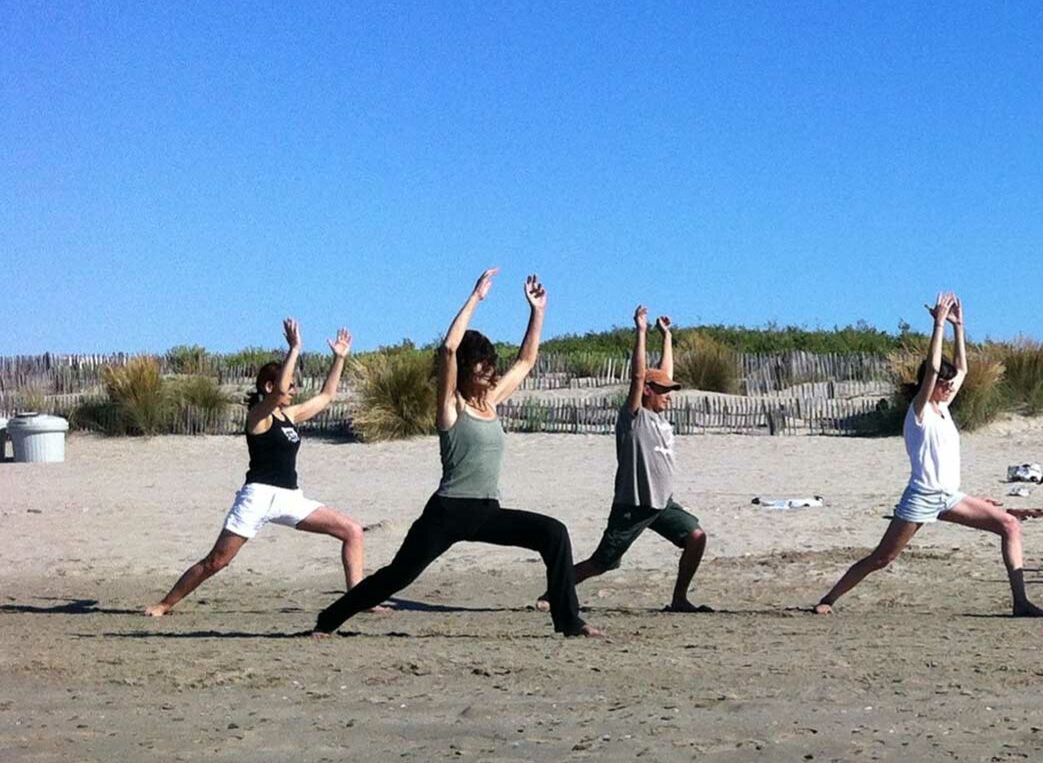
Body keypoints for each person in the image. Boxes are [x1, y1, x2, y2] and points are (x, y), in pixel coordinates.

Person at [313, 269, 599, 638]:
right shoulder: (451, 408)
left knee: (553, 534)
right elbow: (448, 348)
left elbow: (526, 362)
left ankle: (568, 620)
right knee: (397, 576)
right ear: (464, 368)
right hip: (447, 512)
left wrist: (538, 311)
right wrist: (476, 298)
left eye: (489, 362)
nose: (487, 368)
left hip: (486, 512)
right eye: (478, 362)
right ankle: (328, 620)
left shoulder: (492, 402)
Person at [812, 293, 1043, 618]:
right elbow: (934, 368)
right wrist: (937, 325)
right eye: (944, 384)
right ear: (932, 384)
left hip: (950, 497)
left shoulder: (943, 409)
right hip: (922, 497)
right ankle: (829, 598)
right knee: (882, 558)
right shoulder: (919, 411)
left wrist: (959, 328)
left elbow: (961, 368)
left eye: (950, 384)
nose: (950, 387)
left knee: (1009, 525)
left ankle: (1020, 602)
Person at [145, 319, 365, 616]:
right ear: (270, 386)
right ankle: (164, 604)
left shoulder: (290, 416)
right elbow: (275, 396)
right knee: (217, 561)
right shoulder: (258, 416)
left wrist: (339, 358)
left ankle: (358, 600)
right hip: (257, 496)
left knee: (352, 531)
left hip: (290, 497)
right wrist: (295, 349)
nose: (294, 390)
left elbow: (327, 396)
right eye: (289, 385)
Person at [565, 306, 709, 612]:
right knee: (602, 563)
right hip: (633, 505)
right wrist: (641, 332)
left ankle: (679, 599)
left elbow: (663, 374)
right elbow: (639, 374)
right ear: (646, 391)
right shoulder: (633, 417)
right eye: (663, 391)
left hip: (663, 504)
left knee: (696, 536)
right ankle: (553, 592)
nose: (669, 395)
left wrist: (667, 336)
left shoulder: (660, 418)